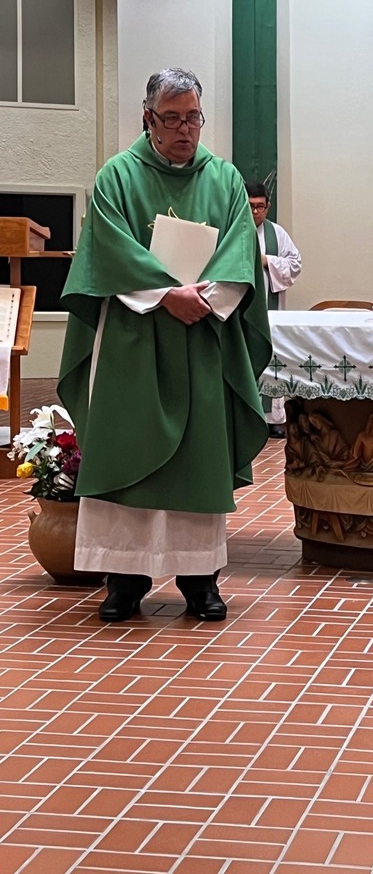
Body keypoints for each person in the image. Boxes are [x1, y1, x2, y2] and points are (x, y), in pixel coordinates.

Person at [57, 67, 272, 624]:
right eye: (171, 118)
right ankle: (123, 581)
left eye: (193, 117)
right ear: (148, 118)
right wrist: (163, 293)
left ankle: (200, 581)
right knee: (127, 453)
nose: (184, 130)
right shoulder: (117, 176)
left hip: (200, 331)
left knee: (197, 460)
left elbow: (239, 248)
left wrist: (199, 298)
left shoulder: (223, 179)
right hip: (135, 334)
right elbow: (107, 247)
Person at [246, 180, 302, 439]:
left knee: (269, 356)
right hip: (241, 310)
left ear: (268, 207)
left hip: (269, 311)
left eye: (260, 207)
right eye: (250, 206)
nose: (255, 212)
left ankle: (273, 419)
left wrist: (268, 260)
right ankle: (245, 417)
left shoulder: (277, 234)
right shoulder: (232, 230)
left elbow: (295, 264)